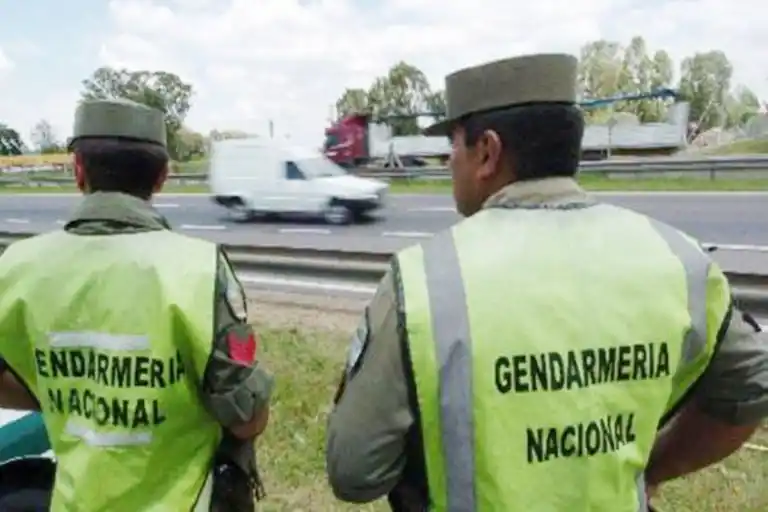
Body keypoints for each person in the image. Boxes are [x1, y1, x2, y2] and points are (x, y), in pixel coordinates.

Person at [325, 53, 768, 511]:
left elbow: (355, 472)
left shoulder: (425, 281)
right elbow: (751, 386)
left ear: (487, 152)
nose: (447, 162)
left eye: (452, 145)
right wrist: (653, 467)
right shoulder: (678, 260)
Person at [0, 98, 273, 511]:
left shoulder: (16, 267)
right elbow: (247, 417)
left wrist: (73, 390)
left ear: (77, 170)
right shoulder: (198, 267)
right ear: (161, 177)